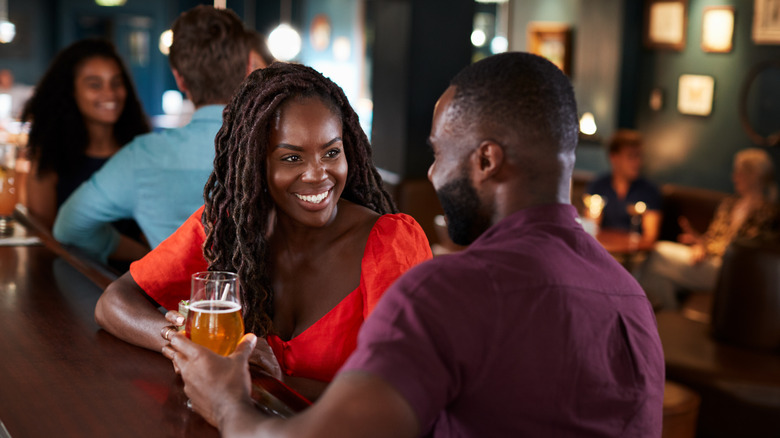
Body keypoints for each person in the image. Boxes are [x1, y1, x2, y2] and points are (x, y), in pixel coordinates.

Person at [163, 52, 665, 437]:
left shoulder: (446, 292)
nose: (431, 174)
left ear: (486, 161)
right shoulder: (633, 300)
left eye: (439, 153)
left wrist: (226, 401)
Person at [94, 62, 432, 401]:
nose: (318, 175)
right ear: (257, 164)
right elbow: (114, 303)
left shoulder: (391, 243)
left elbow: (403, 397)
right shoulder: (227, 228)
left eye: (331, 152)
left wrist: (273, 382)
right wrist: (184, 344)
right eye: (291, 158)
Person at [53, 6, 253, 263]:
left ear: (179, 78)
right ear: (248, 68)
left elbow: (68, 226)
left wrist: (147, 258)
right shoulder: (280, 148)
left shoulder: (142, 157)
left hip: (172, 290)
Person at [21, 39, 149, 248]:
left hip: (140, 268)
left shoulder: (140, 149)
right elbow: (45, 235)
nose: (110, 94)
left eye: (116, 83)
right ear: (71, 91)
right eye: (95, 85)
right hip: (73, 266)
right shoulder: (50, 155)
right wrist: (139, 254)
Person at [637, 148, 778, 310]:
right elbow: (712, 237)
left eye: (740, 172)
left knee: (658, 252)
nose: (734, 177)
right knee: (657, 276)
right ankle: (669, 317)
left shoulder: (767, 213)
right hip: (709, 261)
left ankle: (641, 312)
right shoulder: (729, 204)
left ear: (754, 176)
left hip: (730, 269)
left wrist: (706, 247)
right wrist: (699, 244)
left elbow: (745, 250)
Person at [587, 129, 662, 245]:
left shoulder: (649, 190)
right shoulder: (598, 185)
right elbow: (591, 227)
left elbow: (650, 237)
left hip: (636, 253)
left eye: (639, 156)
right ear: (614, 158)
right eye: (631, 156)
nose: (637, 162)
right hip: (604, 250)